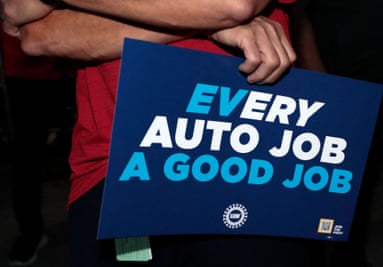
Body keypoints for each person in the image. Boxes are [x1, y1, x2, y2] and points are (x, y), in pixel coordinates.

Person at [2, 0, 311, 266]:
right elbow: (38, 34)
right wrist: (210, 22)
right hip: (117, 166)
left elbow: (233, 5)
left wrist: (212, 16)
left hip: (243, 161)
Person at [289, 0, 383, 266]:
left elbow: (381, 18)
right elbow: (298, 13)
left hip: (372, 87)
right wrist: (320, 86)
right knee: (319, 189)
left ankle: (351, 259)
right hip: (334, 85)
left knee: (362, 185)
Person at [0, 29, 75, 266]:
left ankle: (110, 229)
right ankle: (31, 234)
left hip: (79, 61)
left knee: (98, 152)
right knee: (25, 160)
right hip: (22, 71)